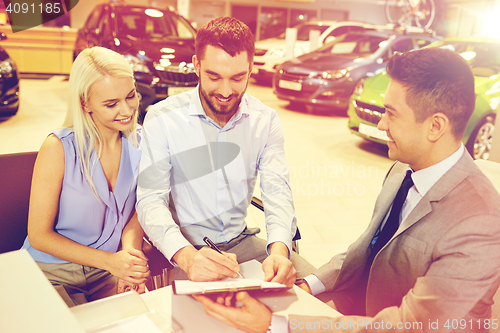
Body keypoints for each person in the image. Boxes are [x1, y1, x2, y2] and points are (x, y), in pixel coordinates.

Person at [194, 47, 500, 332]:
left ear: (435, 126)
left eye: (391, 114)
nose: (381, 124)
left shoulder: (480, 222)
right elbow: (366, 250)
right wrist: (305, 287)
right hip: (359, 310)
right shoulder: (403, 170)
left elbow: (407, 325)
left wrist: (277, 322)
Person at [136, 17, 316, 286]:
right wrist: (186, 257)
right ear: (196, 65)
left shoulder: (264, 120)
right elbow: (150, 201)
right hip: (185, 249)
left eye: (237, 78)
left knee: (319, 290)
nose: (225, 91)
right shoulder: (162, 118)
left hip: (242, 243)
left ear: (250, 68)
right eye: (214, 76)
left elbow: (277, 190)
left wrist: (279, 250)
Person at [22, 46, 150, 307]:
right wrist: (111, 262)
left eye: (130, 96)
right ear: (84, 103)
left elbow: (138, 211)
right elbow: (39, 235)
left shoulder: (143, 141)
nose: (126, 110)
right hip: (51, 273)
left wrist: (130, 257)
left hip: (107, 272)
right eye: (111, 104)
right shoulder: (58, 148)